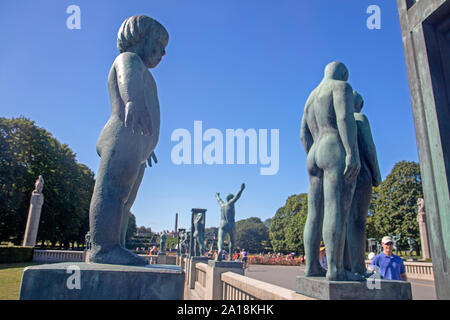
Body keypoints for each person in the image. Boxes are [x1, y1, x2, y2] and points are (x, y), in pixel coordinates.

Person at [88, 15, 169, 265]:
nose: (163, 52)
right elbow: (127, 79)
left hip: (135, 142)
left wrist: (147, 144)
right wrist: (132, 100)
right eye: (158, 43)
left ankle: (116, 245)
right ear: (139, 37)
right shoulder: (129, 59)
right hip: (121, 134)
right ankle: (103, 247)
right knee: (112, 191)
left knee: (125, 200)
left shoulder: (146, 72)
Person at [300, 62, 360, 281]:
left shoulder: (310, 97)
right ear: (343, 73)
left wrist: (313, 152)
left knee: (314, 212)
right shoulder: (341, 86)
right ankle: (335, 270)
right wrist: (351, 152)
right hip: (333, 145)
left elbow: (302, 134)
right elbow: (345, 118)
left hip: (313, 151)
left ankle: (312, 267)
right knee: (335, 207)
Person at [345, 90, 382, 276]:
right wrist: (376, 174)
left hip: (342, 175)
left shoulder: (337, 120)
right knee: (358, 221)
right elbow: (369, 148)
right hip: (361, 174)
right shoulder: (359, 118)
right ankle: (358, 266)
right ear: (358, 104)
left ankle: (344, 265)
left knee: (342, 221)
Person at [215, 183, 245, 261]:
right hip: (231, 224)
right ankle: (230, 257)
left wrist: (217, 196)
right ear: (230, 199)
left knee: (220, 239)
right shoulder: (231, 203)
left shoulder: (222, 205)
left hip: (222, 224)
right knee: (231, 240)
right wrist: (241, 190)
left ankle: (220, 250)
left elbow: (219, 200)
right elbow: (237, 197)